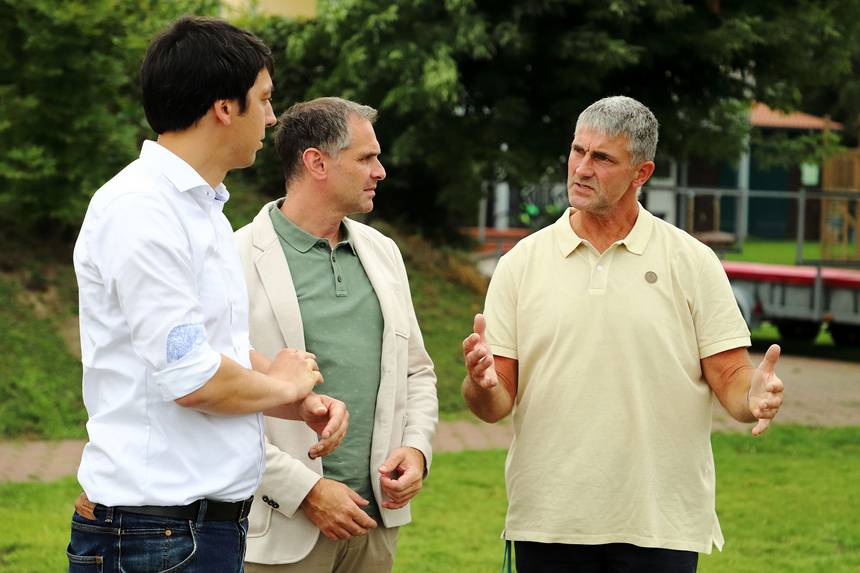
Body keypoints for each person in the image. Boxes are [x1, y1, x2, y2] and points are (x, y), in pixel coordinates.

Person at [67, 17, 348, 573]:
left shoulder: (203, 209)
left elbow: (216, 348)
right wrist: (281, 384)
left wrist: (295, 400)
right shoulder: (141, 209)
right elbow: (193, 377)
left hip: (196, 528)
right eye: (264, 100)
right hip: (156, 533)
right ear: (225, 107)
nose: (272, 117)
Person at [462, 95, 785, 573]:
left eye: (602, 158)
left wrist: (753, 394)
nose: (582, 168)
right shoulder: (520, 265)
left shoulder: (691, 261)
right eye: (577, 151)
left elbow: (731, 375)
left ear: (642, 172)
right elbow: (494, 403)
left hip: (659, 521)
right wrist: (480, 383)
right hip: (550, 519)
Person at [234, 97, 438, 573]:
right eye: (367, 158)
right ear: (316, 162)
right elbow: (220, 397)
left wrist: (417, 449)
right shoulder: (232, 257)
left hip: (374, 525)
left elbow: (418, 372)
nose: (381, 171)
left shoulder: (383, 252)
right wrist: (303, 492)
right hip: (280, 530)